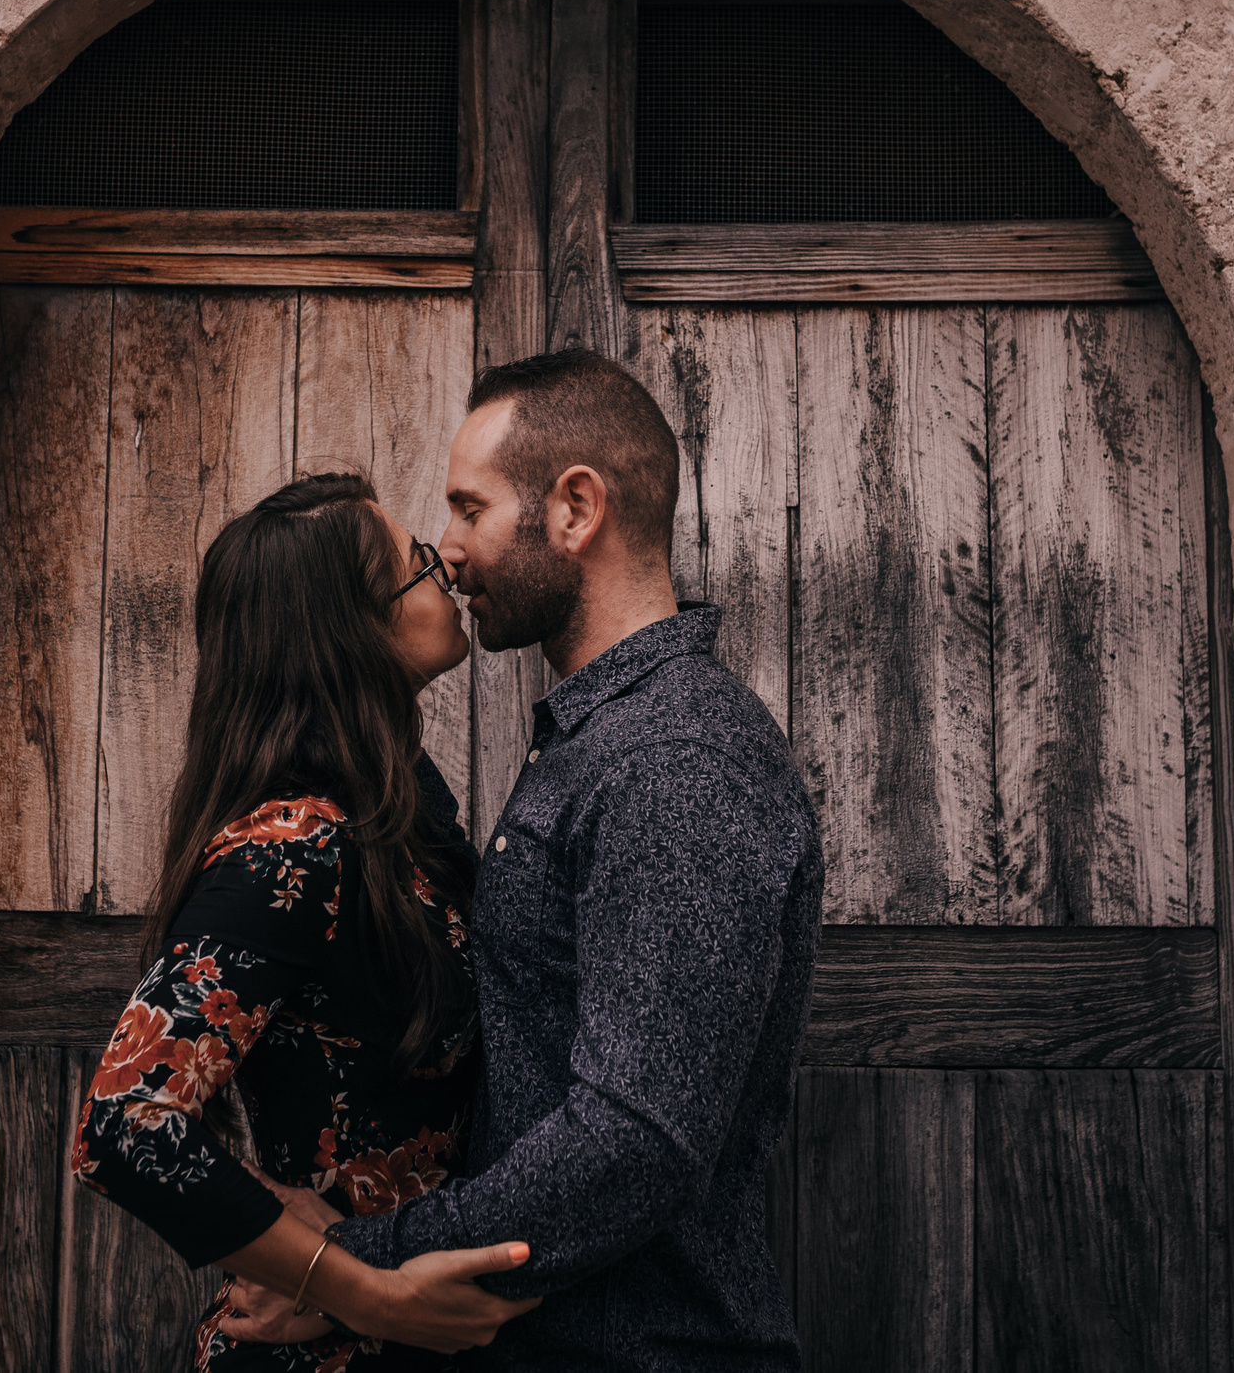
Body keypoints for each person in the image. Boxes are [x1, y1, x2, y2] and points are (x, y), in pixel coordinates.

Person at [223, 350, 825, 1370]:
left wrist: (347, 1267)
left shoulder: (675, 759)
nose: (446, 550)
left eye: (469, 508)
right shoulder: (599, 743)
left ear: (574, 509)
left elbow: (636, 1138)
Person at [70, 472, 541, 1366]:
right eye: (413, 563)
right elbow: (126, 1126)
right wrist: (369, 1293)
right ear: (352, 630)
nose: (441, 558)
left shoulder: (399, 810)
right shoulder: (294, 844)